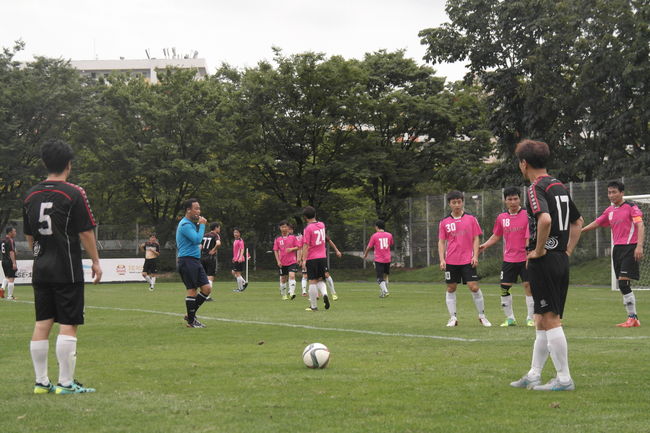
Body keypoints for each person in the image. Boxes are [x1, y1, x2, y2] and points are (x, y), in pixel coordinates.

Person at [23, 138, 102, 394]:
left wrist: (39, 255)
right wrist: (95, 261)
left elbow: (30, 237)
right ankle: (66, 383)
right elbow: (86, 232)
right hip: (66, 268)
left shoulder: (30, 195)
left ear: (45, 163)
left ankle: (41, 382)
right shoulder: (74, 193)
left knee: (42, 322)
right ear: (69, 164)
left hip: (41, 269)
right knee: (68, 323)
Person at [510, 139, 583, 392]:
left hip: (545, 260)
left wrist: (539, 250)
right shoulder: (558, 186)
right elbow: (578, 222)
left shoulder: (535, 188)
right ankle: (534, 373)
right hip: (559, 258)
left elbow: (545, 220)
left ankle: (564, 379)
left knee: (550, 319)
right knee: (540, 318)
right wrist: (567, 251)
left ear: (524, 163)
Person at [581, 181, 643, 327]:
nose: (611, 195)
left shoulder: (631, 207)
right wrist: (581, 231)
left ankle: (633, 318)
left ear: (622, 193)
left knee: (623, 283)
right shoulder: (610, 210)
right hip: (617, 250)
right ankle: (633, 318)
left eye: (614, 192)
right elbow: (597, 222)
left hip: (630, 248)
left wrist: (639, 246)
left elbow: (640, 225)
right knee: (623, 285)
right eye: (609, 192)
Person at [479, 187, 534, 327]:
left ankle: (531, 318)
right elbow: (497, 235)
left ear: (520, 199)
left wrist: (529, 254)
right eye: (510, 199)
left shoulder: (528, 215)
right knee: (504, 288)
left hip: (525, 258)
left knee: (528, 285)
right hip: (509, 259)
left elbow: (529, 237)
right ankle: (510, 318)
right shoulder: (501, 217)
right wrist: (484, 245)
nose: (513, 202)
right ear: (505, 201)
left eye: (515, 199)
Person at [438, 191, 491, 327]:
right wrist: (442, 259)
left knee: (474, 287)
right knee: (451, 288)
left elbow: (476, 238)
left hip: (467, 260)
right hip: (451, 260)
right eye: (454, 202)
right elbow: (441, 242)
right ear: (449, 204)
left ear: (462, 202)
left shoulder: (471, 219)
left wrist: (475, 256)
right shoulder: (444, 222)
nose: (457, 205)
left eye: (459, 202)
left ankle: (482, 316)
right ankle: (453, 318)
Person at [176, 198, 212, 328]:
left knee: (207, 289)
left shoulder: (190, 224)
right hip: (187, 261)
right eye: (196, 208)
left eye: (199, 208)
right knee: (192, 291)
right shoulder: (185, 224)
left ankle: (190, 315)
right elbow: (197, 239)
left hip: (194, 261)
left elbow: (195, 242)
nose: (199, 211)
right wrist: (202, 225)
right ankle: (191, 322)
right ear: (188, 210)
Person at [301, 206, 330, 311]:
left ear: (305, 217)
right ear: (315, 214)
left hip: (312, 258)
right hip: (322, 257)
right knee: (320, 279)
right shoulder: (322, 224)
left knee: (312, 281)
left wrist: (304, 259)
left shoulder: (308, 228)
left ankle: (313, 306)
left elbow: (306, 245)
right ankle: (325, 294)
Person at [363, 220, 394, 298]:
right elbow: (390, 244)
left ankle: (385, 291)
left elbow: (369, 247)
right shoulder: (389, 235)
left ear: (377, 227)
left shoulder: (374, 236)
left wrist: (365, 254)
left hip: (379, 259)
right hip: (387, 259)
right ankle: (383, 293)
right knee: (385, 276)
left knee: (379, 278)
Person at [273, 220, 300, 300]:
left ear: (288, 227)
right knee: (283, 279)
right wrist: (278, 261)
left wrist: (291, 249)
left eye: (285, 227)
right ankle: (284, 295)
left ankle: (292, 293)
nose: (284, 228)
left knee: (292, 275)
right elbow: (275, 250)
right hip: (282, 262)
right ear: (280, 228)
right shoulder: (277, 238)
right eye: (282, 227)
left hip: (292, 261)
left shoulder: (293, 237)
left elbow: (298, 247)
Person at [201, 222, 222, 300]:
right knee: (210, 276)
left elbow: (200, 246)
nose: (219, 229)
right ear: (216, 228)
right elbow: (218, 243)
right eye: (219, 228)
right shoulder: (216, 235)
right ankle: (207, 296)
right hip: (210, 258)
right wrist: (214, 249)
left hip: (202, 257)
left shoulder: (205, 235)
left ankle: (202, 294)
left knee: (203, 277)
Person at [1, 226, 18, 300]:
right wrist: (14, 263)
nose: (15, 233)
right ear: (10, 232)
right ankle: (10, 296)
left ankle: (2, 288)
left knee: (7, 277)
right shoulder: (10, 240)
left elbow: (4, 250)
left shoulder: (2, 240)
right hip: (9, 261)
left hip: (3, 261)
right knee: (11, 278)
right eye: (14, 231)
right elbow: (11, 252)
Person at [231, 228, 248, 292]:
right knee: (233, 272)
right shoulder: (235, 240)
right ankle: (244, 282)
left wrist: (240, 257)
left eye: (237, 232)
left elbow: (242, 249)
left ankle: (240, 288)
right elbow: (235, 251)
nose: (235, 234)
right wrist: (234, 258)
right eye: (234, 232)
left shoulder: (240, 240)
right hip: (236, 259)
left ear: (239, 233)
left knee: (238, 274)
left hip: (239, 259)